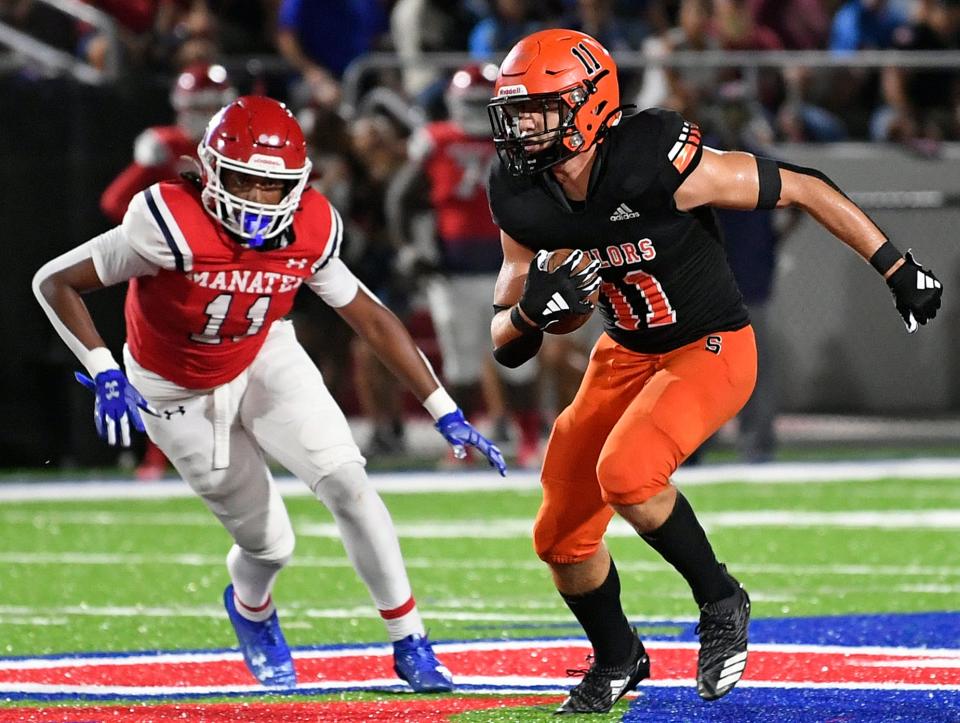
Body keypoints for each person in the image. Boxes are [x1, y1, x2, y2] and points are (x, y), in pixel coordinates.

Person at [485, 29, 942, 714]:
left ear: (588, 105)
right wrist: (531, 312)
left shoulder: (651, 157)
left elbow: (803, 187)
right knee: (558, 536)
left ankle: (719, 598)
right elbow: (504, 338)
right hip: (625, 354)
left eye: (539, 108)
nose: (522, 127)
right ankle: (617, 656)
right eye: (516, 111)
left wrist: (896, 266)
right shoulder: (519, 191)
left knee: (628, 473)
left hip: (710, 345)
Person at [33, 95, 505, 693]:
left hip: (264, 353)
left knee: (349, 484)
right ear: (209, 171)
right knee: (270, 545)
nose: (257, 199)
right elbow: (53, 281)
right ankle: (252, 608)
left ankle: (410, 640)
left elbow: (369, 314)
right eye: (244, 181)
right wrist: (103, 367)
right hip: (175, 388)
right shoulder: (167, 222)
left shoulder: (311, 224)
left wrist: (443, 408)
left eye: (271, 185)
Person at [389, 64, 543, 467]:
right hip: (453, 272)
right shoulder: (436, 142)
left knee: (519, 360)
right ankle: (463, 445)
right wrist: (410, 247)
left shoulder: (521, 142)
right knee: (461, 364)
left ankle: (529, 441)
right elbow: (400, 199)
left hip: (510, 271)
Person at [100, 61, 236, 480]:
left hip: (225, 274)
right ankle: (156, 458)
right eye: (199, 105)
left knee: (228, 369)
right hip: (169, 277)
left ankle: (227, 455)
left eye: (212, 105)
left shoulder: (236, 151)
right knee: (158, 370)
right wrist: (144, 168)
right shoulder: (167, 145)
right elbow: (114, 205)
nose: (203, 113)